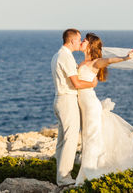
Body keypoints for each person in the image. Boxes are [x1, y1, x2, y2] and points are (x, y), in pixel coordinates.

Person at [75, 33, 133, 186]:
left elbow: (108, 60)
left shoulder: (95, 62)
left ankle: (89, 176)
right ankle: (87, 174)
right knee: (87, 138)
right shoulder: (84, 62)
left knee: (91, 138)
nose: (81, 42)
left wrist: (125, 58)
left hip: (90, 105)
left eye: (84, 40)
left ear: (90, 45)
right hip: (84, 104)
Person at [51, 29, 98, 186]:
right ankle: (64, 178)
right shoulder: (66, 57)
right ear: (71, 41)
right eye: (79, 40)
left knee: (61, 141)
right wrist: (91, 84)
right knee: (70, 140)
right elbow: (76, 83)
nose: (80, 42)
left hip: (59, 99)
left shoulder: (58, 55)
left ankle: (60, 176)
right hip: (67, 101)